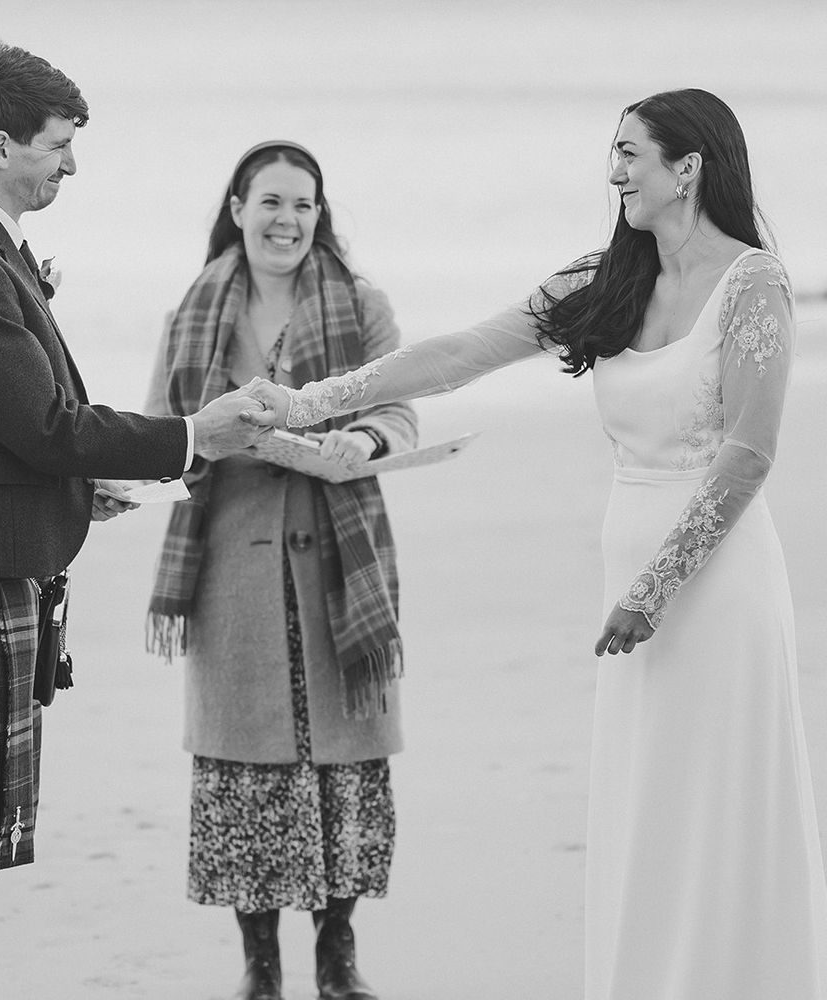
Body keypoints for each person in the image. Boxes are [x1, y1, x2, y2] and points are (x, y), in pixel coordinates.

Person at [247, 90, 827, 999]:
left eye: (631, 153)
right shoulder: (606, 277)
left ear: (689, 168)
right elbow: (461, 353)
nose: (614, 171)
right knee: (648, 803)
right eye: (614, 151)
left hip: (717, 584)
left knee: (718, 800)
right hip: (628, 575)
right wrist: (310, 400)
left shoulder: (754, 283)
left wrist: (655, 589)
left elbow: (749, 454)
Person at [0, 42, 269, 1000]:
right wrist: (192, 434)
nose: (72, 165)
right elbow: (45, 425)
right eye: (58, 146)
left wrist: (82, 492)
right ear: (1, 146)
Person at [143, 140, 417, 1000]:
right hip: (230, 569)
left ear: (319, 214)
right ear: (237, 210)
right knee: (244, 771)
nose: (287, 220)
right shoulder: (191, 312)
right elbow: (159, 433)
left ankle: (337, 958)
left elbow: (401, 414)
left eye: (304, 204)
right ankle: (259, 966)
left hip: (341, 560)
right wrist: (183, 451)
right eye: (271, 202)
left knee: (342, 765)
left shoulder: (362, 305)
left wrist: (361, 439)